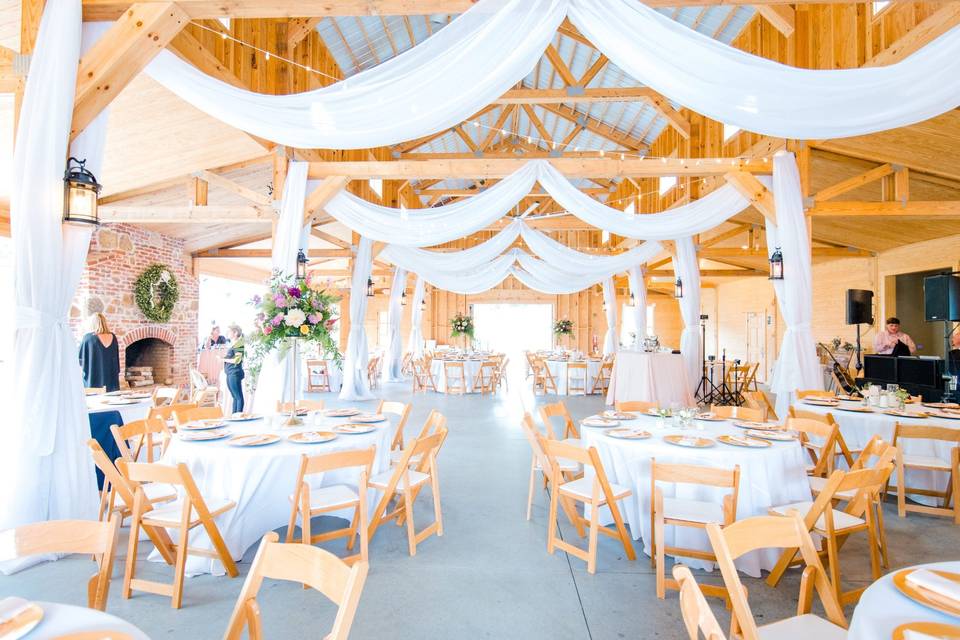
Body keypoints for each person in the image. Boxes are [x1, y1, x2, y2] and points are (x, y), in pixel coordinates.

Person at [79, 313, 121, 392]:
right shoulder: (113, 337)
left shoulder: (88, 338)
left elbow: (80, 359)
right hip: (111, 382)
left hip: (93, 382)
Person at [224, 325, 245, 414]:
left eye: (229, 331)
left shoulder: (239, 344)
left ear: (235, 333)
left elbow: (237, 359)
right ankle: (234, 416)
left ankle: (238, 416)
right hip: (230, 373)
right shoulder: (233, 343)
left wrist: (223, 359)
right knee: (234, 397)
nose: (227, 333)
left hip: (235, 372)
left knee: (238, 396)